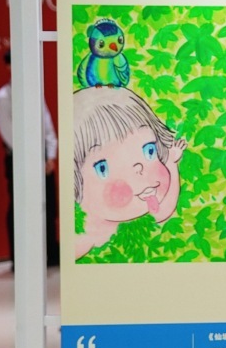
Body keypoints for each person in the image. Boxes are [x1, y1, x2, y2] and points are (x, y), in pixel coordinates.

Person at [71, 86, 186, 259]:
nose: (139, 169)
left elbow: (163, 210)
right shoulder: (85, 237)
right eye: (103, 168)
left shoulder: (128, 219)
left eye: (149, 151)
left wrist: (171, 163)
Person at [0, 51, 60, 269]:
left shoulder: (35, 93)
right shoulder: (3, 98)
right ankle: (20, 259)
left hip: (42, 158)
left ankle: (50, 253)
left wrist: (50, 155)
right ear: (8, 67)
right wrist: (32, 160)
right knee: (20, 207)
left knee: (49, 206)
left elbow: (47, 126)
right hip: (19, 160)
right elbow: (9, 134)